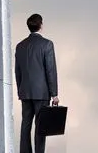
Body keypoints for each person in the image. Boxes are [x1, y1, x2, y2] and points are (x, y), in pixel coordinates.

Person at [15, 13, 59, 153]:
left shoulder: (20, 46)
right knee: (40, 126)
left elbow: (17, 71)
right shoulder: (47, 44)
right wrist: (54, 94)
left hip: (25, 92)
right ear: (41, 25)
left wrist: (20, 90)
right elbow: (50, 70)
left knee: (25, 125)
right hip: (42, 92)